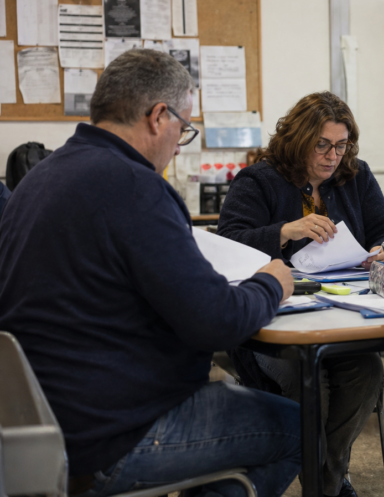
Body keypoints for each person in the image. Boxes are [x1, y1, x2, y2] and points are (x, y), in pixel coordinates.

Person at [0, 49, 301, 497]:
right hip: (114, 434)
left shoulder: (40, 180)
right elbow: (216, 322)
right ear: (159, 116)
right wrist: (271, 282)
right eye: (184, 129)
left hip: (41, 424)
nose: (179, 144)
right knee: (300, 426)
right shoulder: (136, 187)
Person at [217, 91, 384, 497]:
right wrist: (283, 232)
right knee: (309, 377)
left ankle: (326, 483)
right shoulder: (259, 180)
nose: (333, 156)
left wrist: (381, 249)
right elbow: (229, 243)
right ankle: (328, 485)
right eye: (323, 145)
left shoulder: (357, 175)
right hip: (273, 321)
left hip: (342, 314)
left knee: (367, 373)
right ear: (299, 139)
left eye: (342, 145)